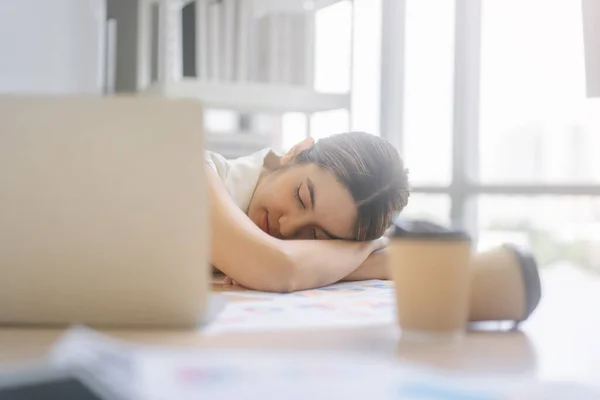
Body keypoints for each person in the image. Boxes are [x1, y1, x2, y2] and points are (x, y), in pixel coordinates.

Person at [206, 131, 410, 292]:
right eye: (300, 198)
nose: (287, 227)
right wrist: (369, 253)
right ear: (296, 151)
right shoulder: (195, 169)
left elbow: (271, 266)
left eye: (314, 235)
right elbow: (279, 267)